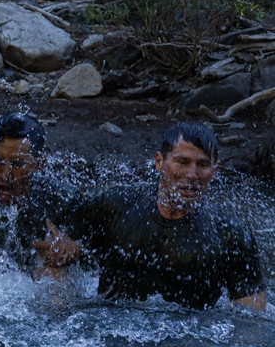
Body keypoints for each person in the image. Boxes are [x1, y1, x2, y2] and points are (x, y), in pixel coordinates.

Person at [66, 121, 266, 310]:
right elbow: (55, 254)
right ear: (159, 162)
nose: (192, 175)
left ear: (214, 170)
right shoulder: (116, 204)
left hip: (190, 342)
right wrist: (59, 306)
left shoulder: (231, 232)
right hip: (109, 331)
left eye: (203, 165)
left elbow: (252, 319)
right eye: (182, 162)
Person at [0, 112, 79, 279]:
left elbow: (92, 246)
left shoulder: (62, 200)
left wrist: (75, 250)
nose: (5, 175)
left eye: (17, 164)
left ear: (39, 164)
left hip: (39, 287)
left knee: (55, 271)